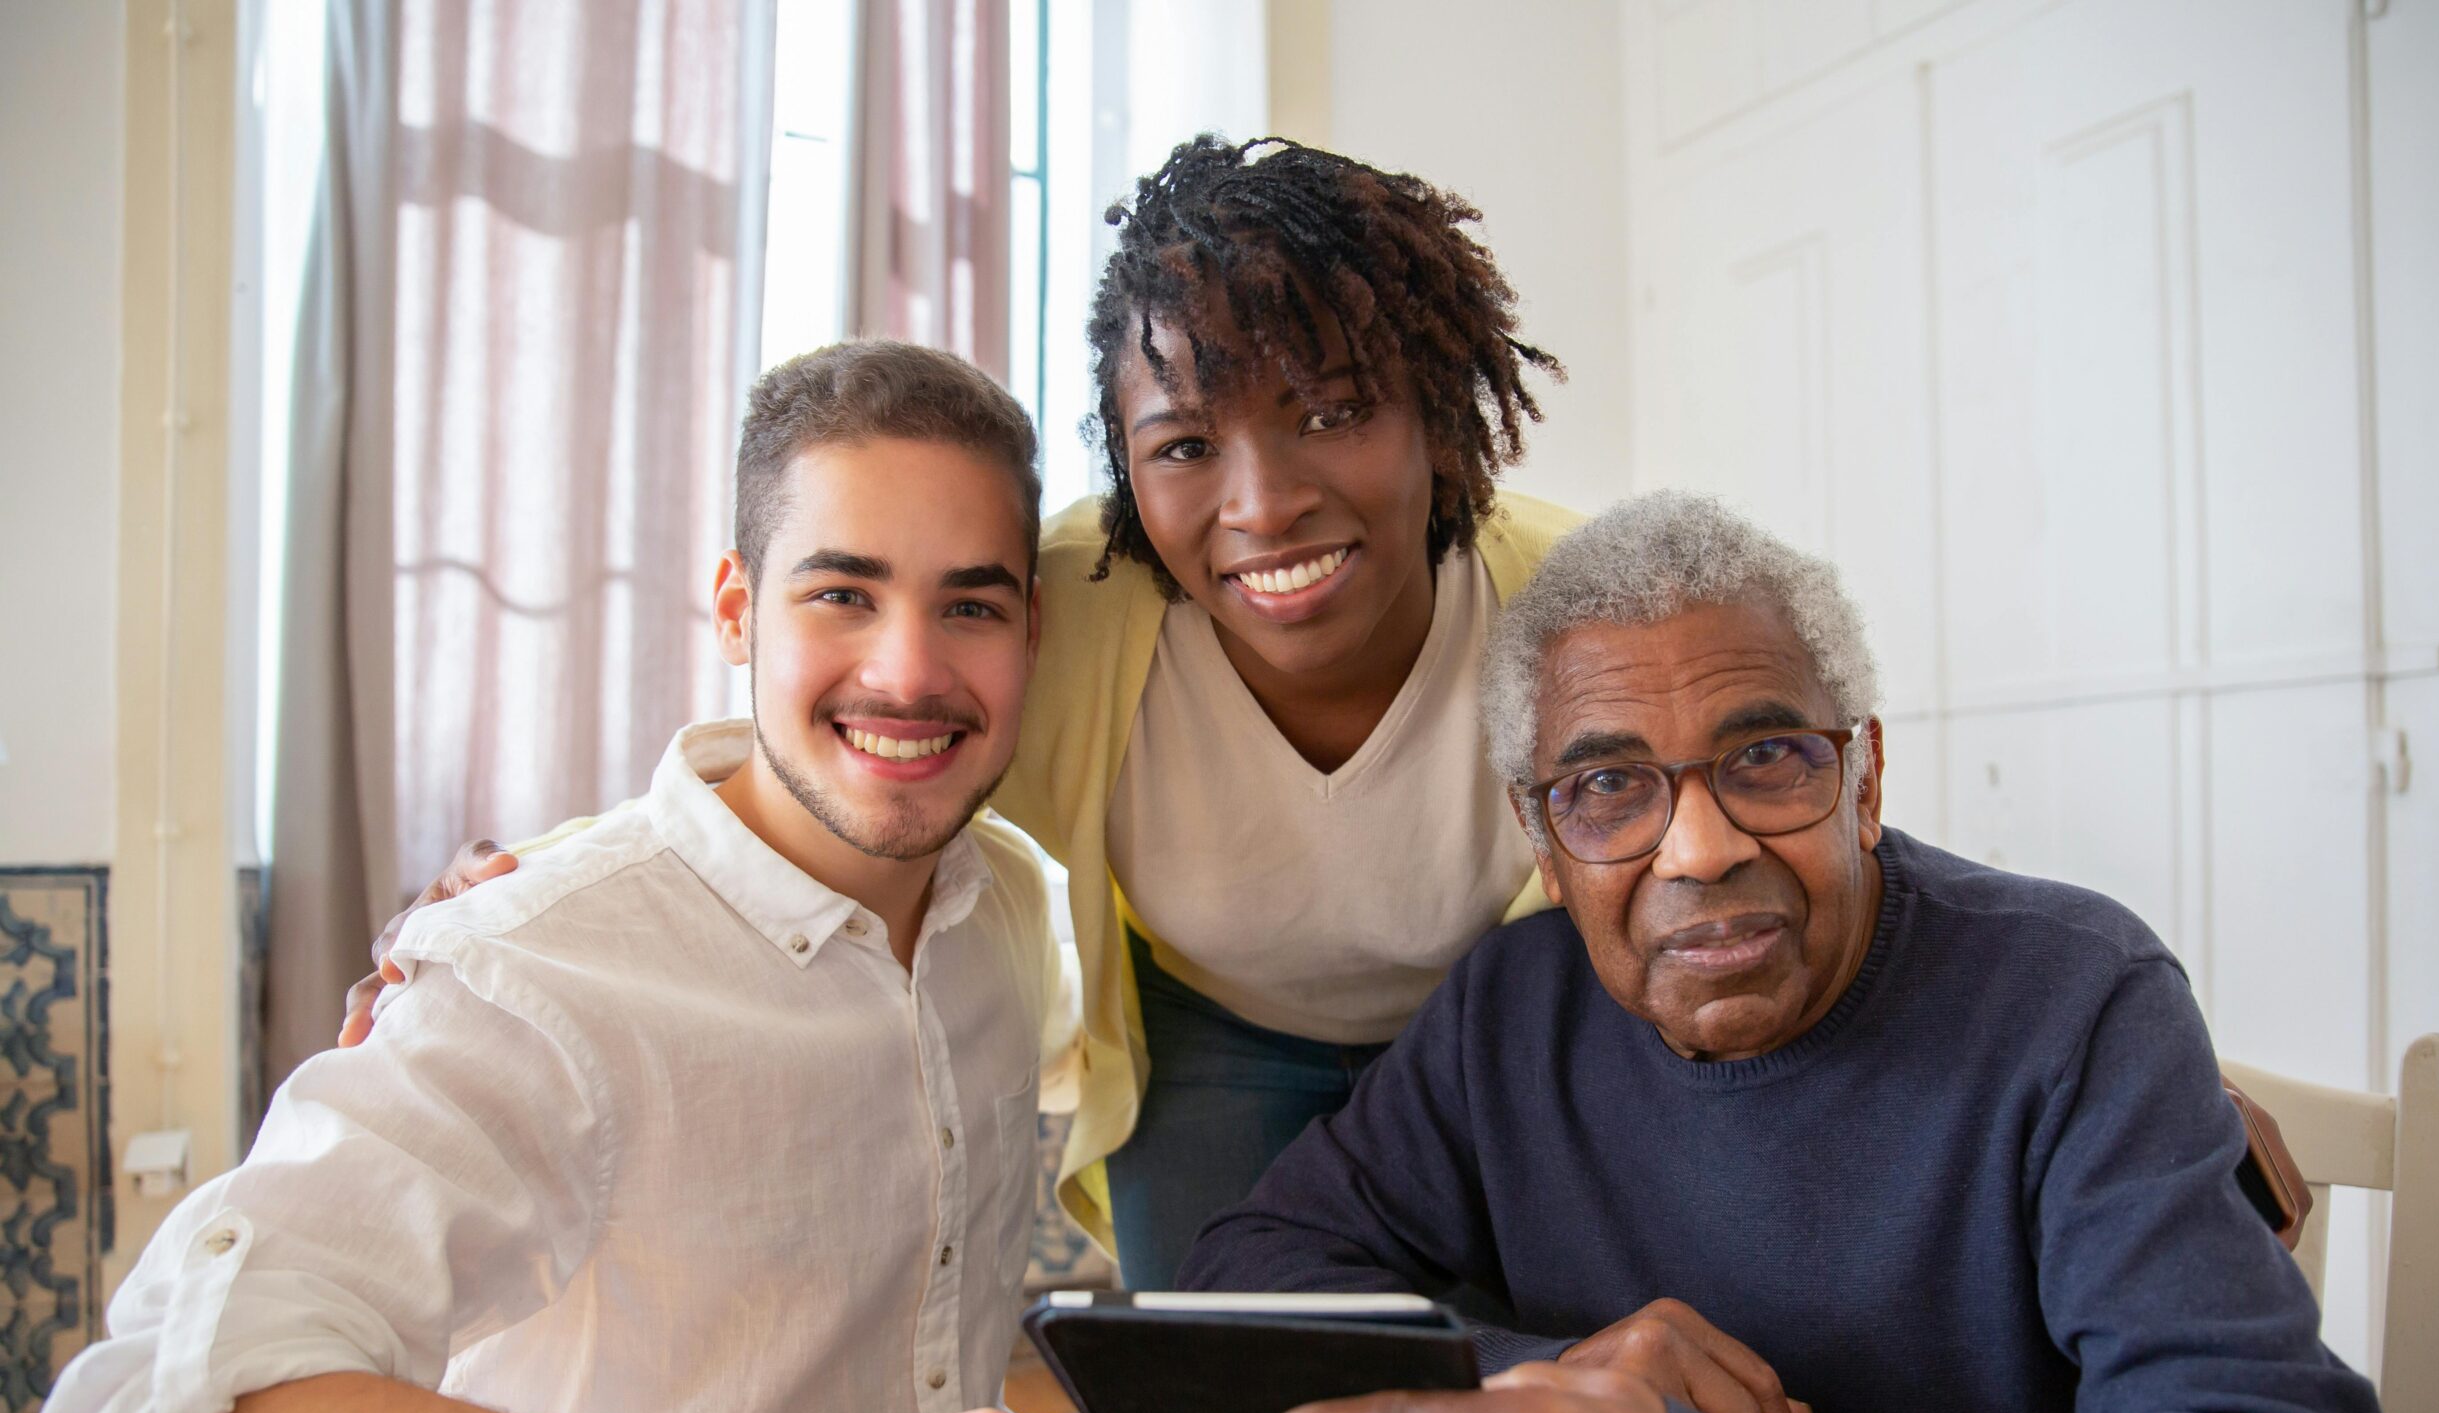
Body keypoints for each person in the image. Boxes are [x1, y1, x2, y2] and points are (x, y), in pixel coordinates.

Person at [1182, 491, 2401, 1413]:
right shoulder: (1510, 1013)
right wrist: (1539, 1382)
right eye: (1608, 786)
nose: (1699, 849)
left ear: (1863, 780)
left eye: (1765, 758)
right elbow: (1246, 1277)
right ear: (1542, 848)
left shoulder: (2073, 1001)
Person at [341, 136, 1584, 1287]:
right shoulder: (1066, 613)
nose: (1260, 505)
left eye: (1332, 412)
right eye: (1187, 446)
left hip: (1502, 1025)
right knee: (1230, 1396)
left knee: (1539, 1356)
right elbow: (824, 759)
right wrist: (516, 888)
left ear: (1439, 414)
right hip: (1220, 1036)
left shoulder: (1580, 612)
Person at [35, 342, 1126, 1413]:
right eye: (841, 592)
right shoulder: (529, 968)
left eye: (972, 604)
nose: (907, 670)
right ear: (736, 608)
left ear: (1032, 632)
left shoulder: (1005, 903)